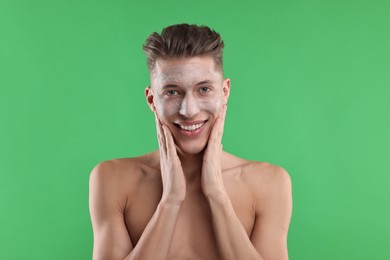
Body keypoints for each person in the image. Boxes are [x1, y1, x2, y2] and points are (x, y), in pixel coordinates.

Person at [89, 23, 292, 260]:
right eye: (172, 92)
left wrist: (217, 195)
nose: (189, 110)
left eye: (204, 89)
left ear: (224, 91)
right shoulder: (112, 179)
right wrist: (170, 200)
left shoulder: (269, 183)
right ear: (152, 99)